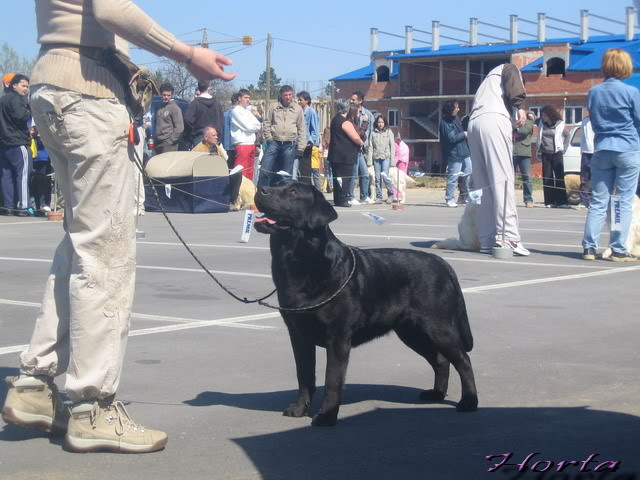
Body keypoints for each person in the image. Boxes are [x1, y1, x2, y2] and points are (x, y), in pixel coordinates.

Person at [2, 0, 236, 454]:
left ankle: (34, 384)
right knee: (106, 254)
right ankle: (93, 408)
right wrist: (187, 54)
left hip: (54, 82)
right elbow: (111, 9)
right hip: (88, 90)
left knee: (79, 246)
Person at [582, 48, 640, 262]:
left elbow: (594, 121)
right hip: (627, 149)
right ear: (625, 67)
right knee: (622, 201)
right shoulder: (631, 92)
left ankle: (589, 248)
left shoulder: (594, 92)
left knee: (598, 201)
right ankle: (618, 248)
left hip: (602, 148)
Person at [467, 63, 530, 256]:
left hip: (474, 123)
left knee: (483, 185)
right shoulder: (509, 68)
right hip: (494, 119)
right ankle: (508, 237)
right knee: (502, 180)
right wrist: (520, 106)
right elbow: (512, 75)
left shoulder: (488, 81)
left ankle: (487, 239)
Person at [258, 85, 306, 187]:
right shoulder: (273, 107)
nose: (288, 97)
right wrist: (269, 138)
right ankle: (261, 193)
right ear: (281, 96)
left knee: (286, 174)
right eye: (285, 95)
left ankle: (283, 198)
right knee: (264, 170)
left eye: (290, 95)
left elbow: (302, 128)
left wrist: (301, 147)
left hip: (290, 144)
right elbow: (267, 123)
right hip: (274, 142)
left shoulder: (297, 109)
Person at [0, 74, 33, 217]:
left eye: (27, 86)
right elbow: (20, 116)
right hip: (17, 142)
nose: (25, 89)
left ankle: (8, 206)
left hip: (4, 143)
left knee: (6, 176)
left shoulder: (2, 99)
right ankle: (23, 206)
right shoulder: (16, 99)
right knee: (23, 174)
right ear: (14, 85)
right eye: (23, 85)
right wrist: (31, 109)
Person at [328, 99, 364, 207]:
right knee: (345, 178)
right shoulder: (345, 122)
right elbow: (355, 137)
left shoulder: (334, 120)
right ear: (347, 109)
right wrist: (361, 143)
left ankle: (338, 199)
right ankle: (343, 200)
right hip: (345, 155)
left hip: (335, 154)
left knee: (337, 178)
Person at [536, 104, 570, 208]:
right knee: (547, 177)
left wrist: (563, 148)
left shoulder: (559, 124)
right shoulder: (541, 123)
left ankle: (561, 201)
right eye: (542, 115)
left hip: (557, 153)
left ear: (550, 115)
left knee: (559, 177)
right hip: (545, 153)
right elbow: (531, 118)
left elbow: (567, 135)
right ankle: (549, 201)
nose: (543, 117)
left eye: (545, 115)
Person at [439, 100, 471, 208]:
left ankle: (465, 197)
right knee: (453, 177)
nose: (458, 109)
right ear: (450, 109)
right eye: (455, 108)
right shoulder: (445, 122)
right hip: (454, 154)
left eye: (458, 107)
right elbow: (450, 138)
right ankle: (449, 198)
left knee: (468, 173)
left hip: (465, 151)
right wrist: (464, 134)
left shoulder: (457, 119)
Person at [348, 91, 374, 205]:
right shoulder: (349, 114)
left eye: (353, 100)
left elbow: (371, 132)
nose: (351, 101)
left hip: (363, 149)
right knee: (353, 175)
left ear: (360, 101)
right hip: (353, 147)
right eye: (351, 99)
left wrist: (369, 148)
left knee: (364, 174)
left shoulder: (368, 114)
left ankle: (364, 196)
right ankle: (350, 196)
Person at [230, 88, 261, 180]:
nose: (248, 100)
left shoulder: (247, 111)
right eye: (246, 97)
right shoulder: (236, 111)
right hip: (242, 144)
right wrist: (254, 127)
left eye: (249, 98)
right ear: (239, 98)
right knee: (241, 172)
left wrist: (254, 127)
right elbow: (249, 127)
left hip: (251, 143)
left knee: (250, 172)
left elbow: (258, 125)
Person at [183, 80, 224, 149]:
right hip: (214, 137)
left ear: (198, 88)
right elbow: (221, 121)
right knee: (213, 159)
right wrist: (218, 135)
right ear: (209, 88)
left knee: (200, 159)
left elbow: (187, 119)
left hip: (200, 137)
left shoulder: (195, 103)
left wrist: (192, 132)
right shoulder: (217, 103)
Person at [367, 115, 396, 203]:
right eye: (379, 122)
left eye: (382, 122)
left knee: (385, 177)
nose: (380, 124)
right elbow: (370, 147)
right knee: (377, 178)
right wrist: (369, 161)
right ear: (376, 123)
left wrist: (392, 160)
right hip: (376, 158)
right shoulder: (373, 133)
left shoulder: (389, 132)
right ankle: (379, 196)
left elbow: (392, 147)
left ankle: (390, 194)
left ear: (385, 123)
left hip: (385, 157)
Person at [512, 111, 535, 208]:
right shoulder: (511, 120)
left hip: (524, 152)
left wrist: (513, 127)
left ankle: (528, 199)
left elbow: (524, 130)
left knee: (527, 177)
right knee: (509, 177)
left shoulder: (529, 121)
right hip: (511, 151)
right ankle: (509, 199)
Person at [296, 90, 320, 186]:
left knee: (306, 169)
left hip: (307, 144)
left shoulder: (311, 112)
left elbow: (314, 129)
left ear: (307, 100)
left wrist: (310, 141)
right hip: (299, 143)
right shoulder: (299, 112)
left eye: (300, 100)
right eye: (298, 100)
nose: (299, 102)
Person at [29, 124, 53, 213]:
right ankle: (35, 203)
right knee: (32, 181)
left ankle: (45, 203)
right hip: (32, 155)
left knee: (45, 180)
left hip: (43, 155)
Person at [154, 82, 184, 154]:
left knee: (167, 165)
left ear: (171, 95)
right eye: (164, 95)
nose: (166, 97)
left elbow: (180, 128)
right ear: (161, 94)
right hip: (158, 142)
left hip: (168, 144)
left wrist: (170, 141)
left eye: (168, 95)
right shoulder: (160, 107)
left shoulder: (175, 108)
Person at [578, 112, 595, 209]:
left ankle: (594, 200)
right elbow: (582, 138)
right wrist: (582, 151)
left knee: (597, 176)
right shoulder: (585, 120)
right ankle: (585, 200)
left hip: (597, 151)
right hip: (586, 152)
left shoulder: (600, 118)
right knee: (585, 177)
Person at [223, 92, 240, 169]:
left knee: (227, 168)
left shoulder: (224, 114)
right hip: (237, 144)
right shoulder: (239, 114)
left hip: (225, 145)